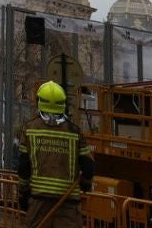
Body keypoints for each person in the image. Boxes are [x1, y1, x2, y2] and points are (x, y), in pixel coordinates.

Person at [14, 80, 95, 228]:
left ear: (40, 102)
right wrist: (85, 184)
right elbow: (89, 166)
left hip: (39, 202)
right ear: (63, 103)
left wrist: (23, 193)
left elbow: (23, 168)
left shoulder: (30, 129)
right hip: (68, 203)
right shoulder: (74, 131)